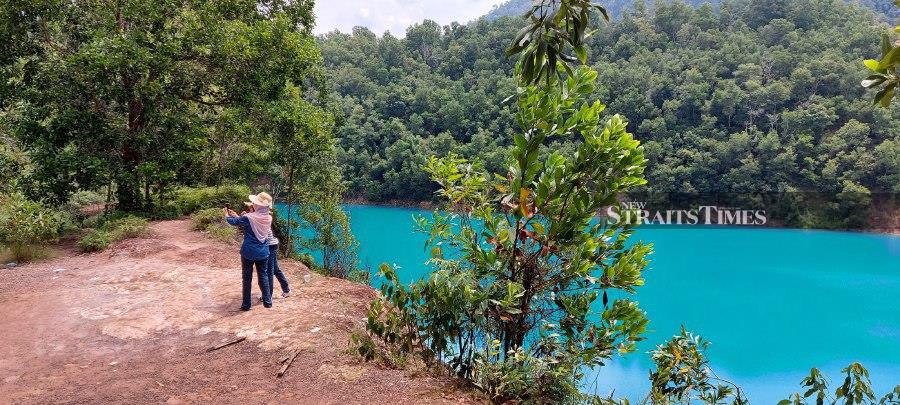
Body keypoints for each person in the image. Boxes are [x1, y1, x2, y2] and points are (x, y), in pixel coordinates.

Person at [224, 192, 274, 311]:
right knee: (263, 276)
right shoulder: (268, 217)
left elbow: (234, 222)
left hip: (248, 251)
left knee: (247, 278)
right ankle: (268, 302)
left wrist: (227, 215)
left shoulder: (249, 217)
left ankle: (246, 305)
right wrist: (237, 215)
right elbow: (247, 219)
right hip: (263, 251)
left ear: (258, 205)